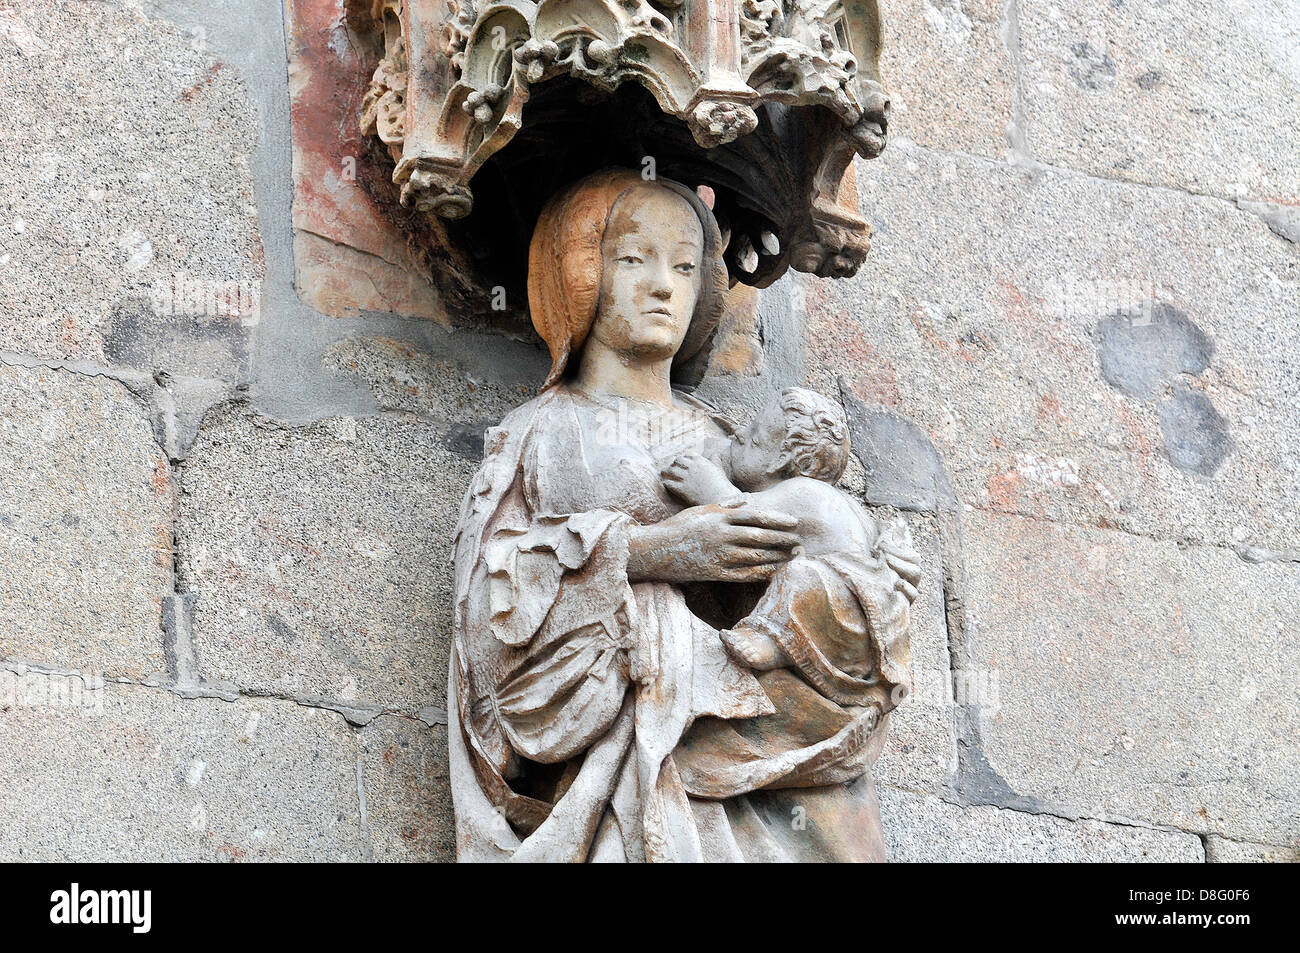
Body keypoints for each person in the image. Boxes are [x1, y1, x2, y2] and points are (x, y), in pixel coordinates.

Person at [449, 168, 921, 862]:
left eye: (683, 264)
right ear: (580, 273)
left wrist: (870, 583)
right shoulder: (537, 435)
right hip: (623, 757)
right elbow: (486, 613)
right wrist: (651, 553)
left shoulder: (729, 444)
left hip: (755, 749)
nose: (663, 284)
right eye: (632, 258)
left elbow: (805, 560)